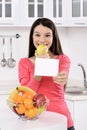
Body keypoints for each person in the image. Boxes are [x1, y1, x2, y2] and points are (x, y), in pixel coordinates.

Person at [18, 18, 75, 130]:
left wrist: (63, 77)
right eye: (37, 35)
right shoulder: (24, 63)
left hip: (62, 121)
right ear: (32, 37)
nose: (42, 40)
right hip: (36, 123)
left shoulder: (63, 59)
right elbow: (25, 95)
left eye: (47, 35)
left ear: (53, 38)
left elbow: (63, 74)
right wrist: (39, 68)